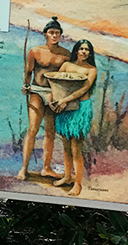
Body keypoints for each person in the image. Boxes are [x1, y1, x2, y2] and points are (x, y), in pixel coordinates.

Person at [17, 16, 71, 181]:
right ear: (45, 34)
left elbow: (69, 77)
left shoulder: (66, 55)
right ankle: (23, 169)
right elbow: (28, 71)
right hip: (36, 91)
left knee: (50, 131)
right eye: (51, 32)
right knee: (33, 129)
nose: (55, 36)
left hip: (54, 94)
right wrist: (26, 85)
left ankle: (46, 168)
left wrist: (63, 97)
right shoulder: (35, 51)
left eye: (57, 33)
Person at [51, 39, 98, 197]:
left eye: (87, 50)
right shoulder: (66, 65)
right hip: (65, 108)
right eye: (81, 49)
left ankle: (77, 184)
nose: (84, 52)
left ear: (89, 53)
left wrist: (65, 100)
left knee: (76, 148)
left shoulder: (91, 69)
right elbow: (57, 85)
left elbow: (84, 88)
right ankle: (67, 176)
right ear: (76, 50)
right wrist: (55, 101)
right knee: (65, 145)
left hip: (80, 109)